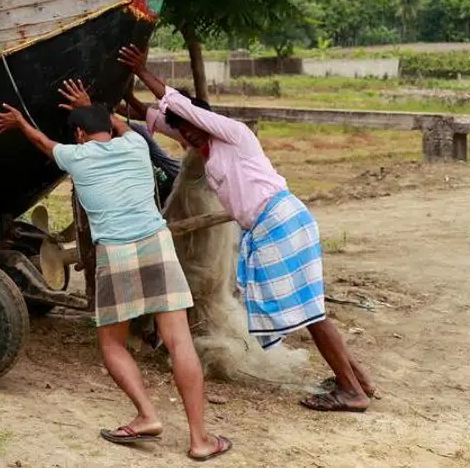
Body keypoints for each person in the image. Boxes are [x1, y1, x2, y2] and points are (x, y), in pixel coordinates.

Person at [118, 45, 377, 413]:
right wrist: (124, 93)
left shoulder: (232, 134)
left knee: (311, 314)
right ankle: (358, 381)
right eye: (184, 135)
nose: (188, 138)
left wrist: (143, 72)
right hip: (272, 224)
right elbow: (155, 118)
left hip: (278, 220)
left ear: (202, 122)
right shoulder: (205, 148)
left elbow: (181, 110)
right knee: (311, 311)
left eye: (191, 130)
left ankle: (352, 390)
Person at [0, 82, 232, 462]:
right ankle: (200, 439)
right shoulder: (135, 145)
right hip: (157, 245)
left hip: (115, 254)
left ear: (80, 134)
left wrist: (20, 122)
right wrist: (94, 107)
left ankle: (147, 415)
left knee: (113, 344)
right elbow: (119, 125)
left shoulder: (75, 156)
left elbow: (43, 143)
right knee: (180, 343)